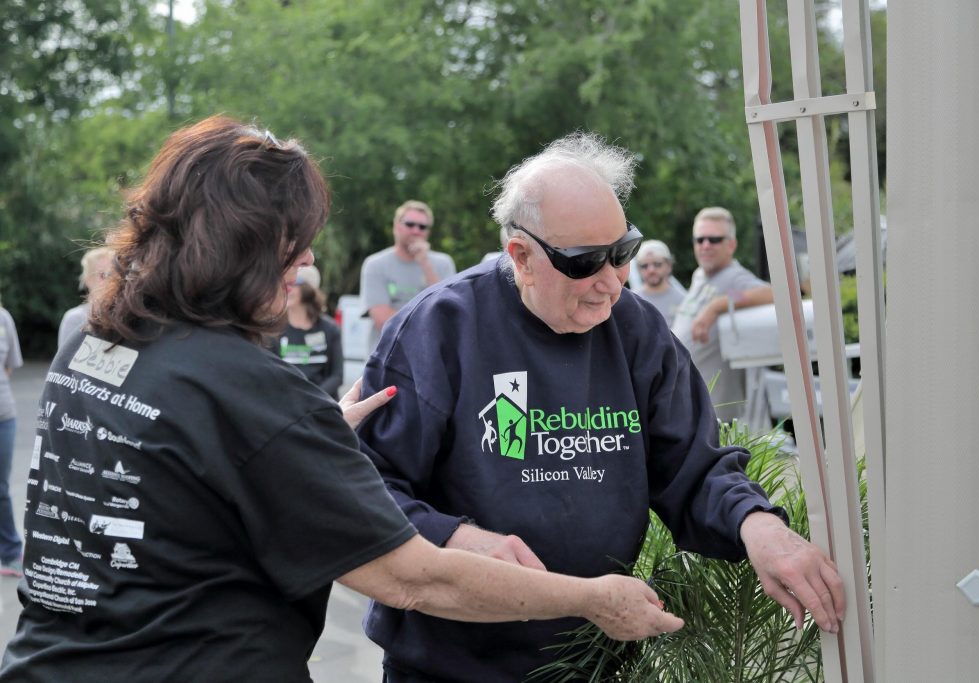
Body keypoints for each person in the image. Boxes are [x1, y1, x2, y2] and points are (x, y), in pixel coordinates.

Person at [0, 117, 682, 683]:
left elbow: (179, 468)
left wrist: (305, 434)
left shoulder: (93, 343)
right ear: (237, 247)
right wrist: (592, 598)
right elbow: (417, 580)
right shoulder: (249, 393)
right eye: (294, 247)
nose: (305, 267)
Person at [357, 133, 844, 682]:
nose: (611, 282)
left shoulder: (637, 330)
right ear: (522, 257)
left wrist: (756, 524)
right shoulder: (438, 330)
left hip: (599, 658)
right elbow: (365, 490)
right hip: (450, 665)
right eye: (586, 262)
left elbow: (694, 466)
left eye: (623, 252)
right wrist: (454, 536)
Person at [670, 206, 774, 422]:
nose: (706, 245)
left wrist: (717, 305)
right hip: (686, 404)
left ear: (731, 245)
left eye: (714, 239)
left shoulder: (734, 278)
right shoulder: (700, 275)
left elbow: (770, 293)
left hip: (715, 413)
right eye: (700, 240)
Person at [360, 200, 456, 348]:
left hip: (431, 354)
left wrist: (425, 263)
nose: (416, 231)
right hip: (388, 354)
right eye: (410, 224)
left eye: (422, 227)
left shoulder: (444, 263)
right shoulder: (375, 264)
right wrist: (430, 323)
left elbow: (447, 309)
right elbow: (383, 321)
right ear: (396, 226)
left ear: (428, 232)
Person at [272, 264, 345, 398]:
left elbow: (337, 376)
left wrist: (313, 399)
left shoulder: (330, 328)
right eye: (284, 284)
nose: (287, 289)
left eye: (293, 284)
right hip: (288, 403)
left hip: (323, 403)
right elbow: (272, 373)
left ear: (308, 289)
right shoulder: (274, 329)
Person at [0, 294, 23, 578]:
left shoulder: (3, 318)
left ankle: (10, 552)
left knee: (0, 489)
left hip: (3, 415)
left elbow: (8, 367)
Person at [57, 246, 114, 349]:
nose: (111, 280)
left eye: (114, 274)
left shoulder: (125, 317)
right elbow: (67, 357)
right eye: (103, 275)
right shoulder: (75, 318)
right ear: (88, 280)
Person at [633, 239, 685, 322]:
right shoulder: (631, 300)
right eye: (644, 266)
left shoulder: (683, 301)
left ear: (669, 266)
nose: (651, 270)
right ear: (638, 269)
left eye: (657, 264)